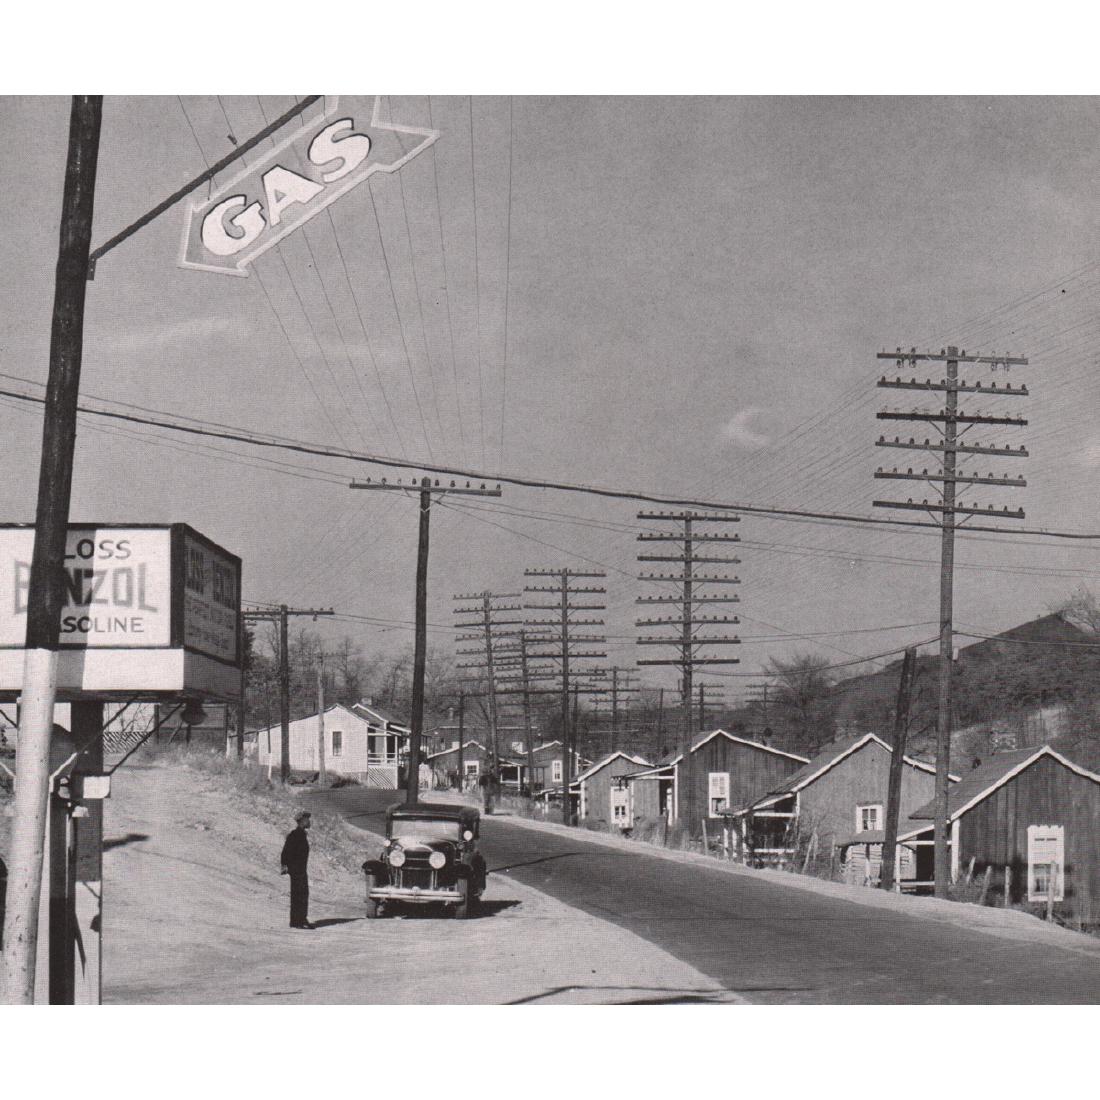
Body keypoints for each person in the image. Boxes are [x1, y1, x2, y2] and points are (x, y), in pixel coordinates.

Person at [280, 810, 313, 929]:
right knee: (299, 895)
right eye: (307, 819)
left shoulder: (301, 834)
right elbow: (286, 851)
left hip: (300, 869)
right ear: (302, 821)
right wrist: (285, 865)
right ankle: (297, 921)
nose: (309, 821)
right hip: (297, 870)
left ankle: (300, 919)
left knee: (302, 894)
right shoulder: (295, 835)